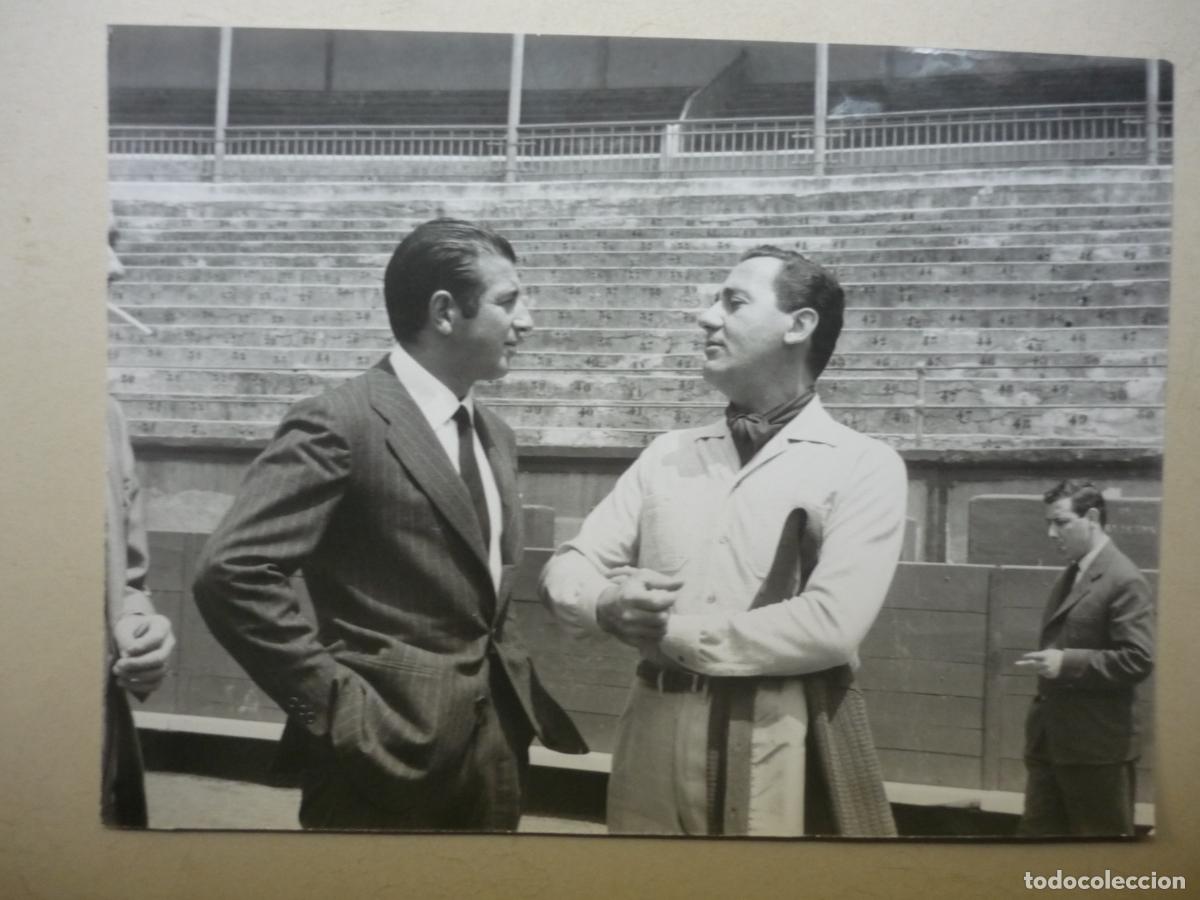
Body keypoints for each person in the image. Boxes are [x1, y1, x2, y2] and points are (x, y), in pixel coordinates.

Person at [193, 218, 586, 831]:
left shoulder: (496, 436)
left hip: (495, 757)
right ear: (445, 312)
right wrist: (325, 709)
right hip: (376, 759)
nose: (528, 320)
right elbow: (231, 573)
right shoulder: (339, 421)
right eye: (510, 301)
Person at [540, 246, 907, 836]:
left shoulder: (865, 463)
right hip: (651, 726)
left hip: (774, 733)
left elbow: (832, 624)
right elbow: (573, 564)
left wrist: (670, 631)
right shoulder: (667, 452)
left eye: (733, 302)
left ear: (799, 324)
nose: (706, 317)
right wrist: (605, 605)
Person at [1015, 481, 1154, 836]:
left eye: (1061, 522)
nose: (1051, 533)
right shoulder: (1075, 572)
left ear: (1092, 517)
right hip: (1052, 747)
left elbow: (1138, 659)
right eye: (1049, 523)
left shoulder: (1124, 579)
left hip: (1097, 755)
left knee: (1099, 862)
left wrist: (1066, 663)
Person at [104, 219, 177, 827]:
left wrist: (139, 625)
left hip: (90, 754)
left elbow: (129, 580)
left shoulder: (105, 416)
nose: (115, 268)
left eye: (114, 240)